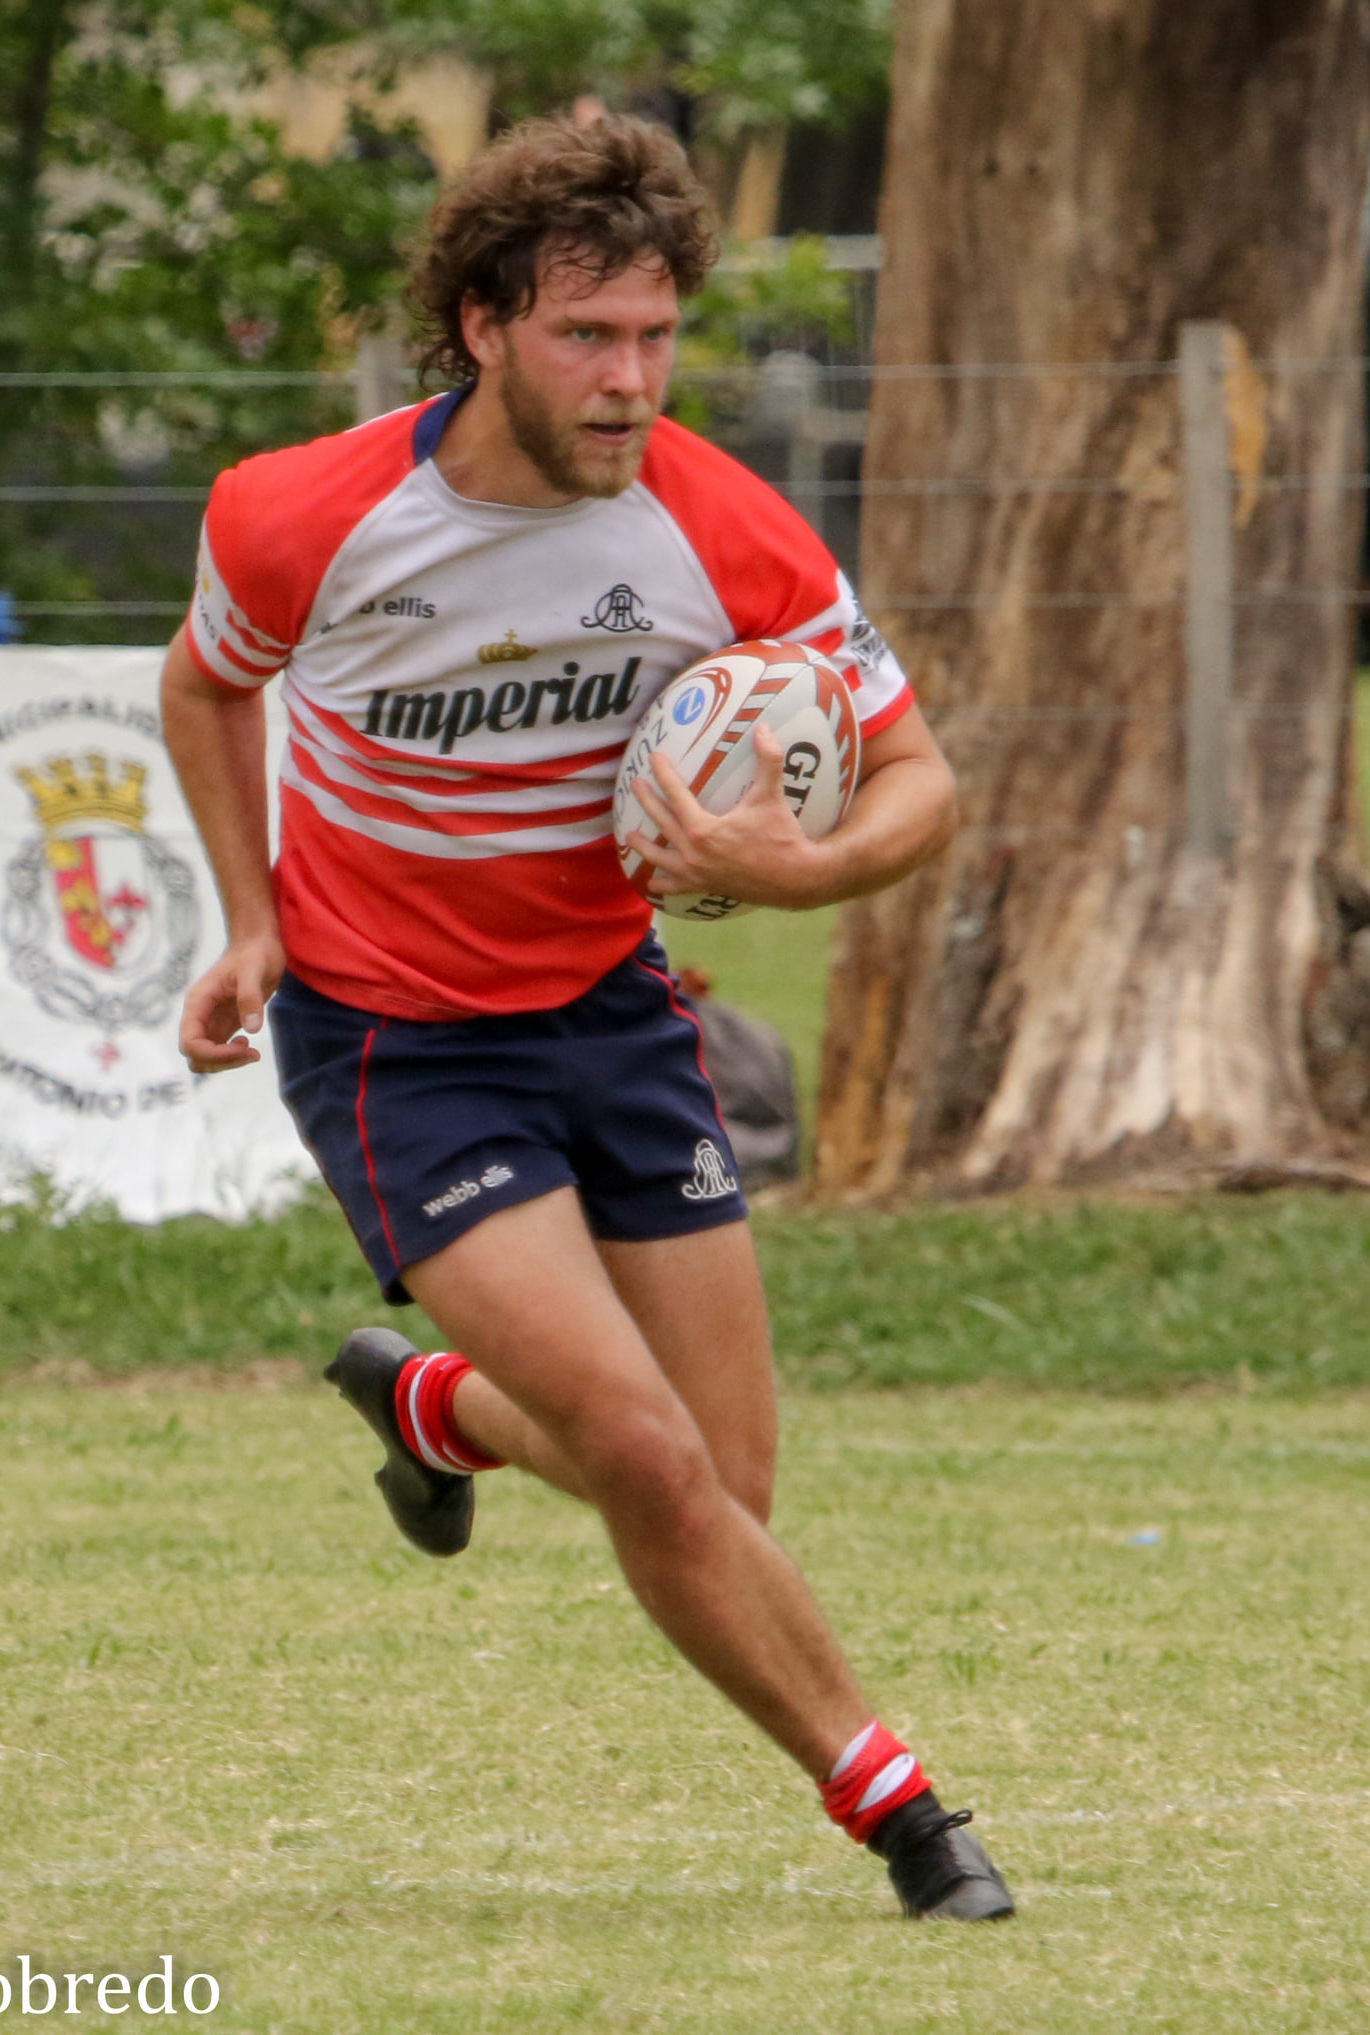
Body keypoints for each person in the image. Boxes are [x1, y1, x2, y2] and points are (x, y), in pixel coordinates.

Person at [162, 112, 1013, 1923]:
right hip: (396, 1040)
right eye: (584, 337)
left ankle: (439, 1410)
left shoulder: (728, 527)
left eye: (653, 335)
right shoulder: (305, 515)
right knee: (642, 1454)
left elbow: (919, 778)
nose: (630, 380)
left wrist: (796, 873)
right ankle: (902, 1810)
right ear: (481, 327)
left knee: (722, 1483)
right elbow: (205, 685)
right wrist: (252, 918)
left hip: (616, 1014)